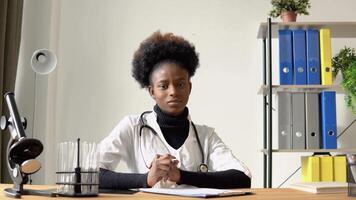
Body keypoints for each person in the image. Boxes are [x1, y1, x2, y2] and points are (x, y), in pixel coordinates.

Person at [97, 31, 251, 189]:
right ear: (152, 91)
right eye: (163, 86)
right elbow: (90, 175)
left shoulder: (206, 136)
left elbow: (242, 178)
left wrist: (181, 176)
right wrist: (146, 179)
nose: (173, 92)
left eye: (180, 84)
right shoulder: (132, 127)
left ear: (189, 88)